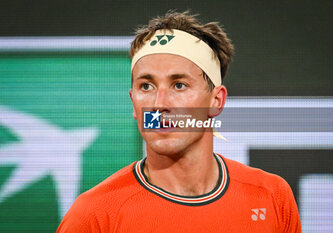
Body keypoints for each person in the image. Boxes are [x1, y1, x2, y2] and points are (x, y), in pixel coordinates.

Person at [57, 11, 301, 232]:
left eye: (179, 85)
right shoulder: (93, 215)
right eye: (146, 86)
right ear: (133, 103)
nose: (159, 103)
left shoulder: (271, 197)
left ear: (216, 101)